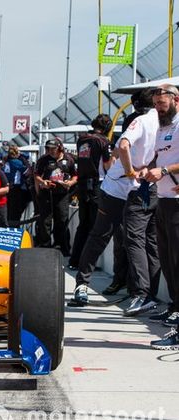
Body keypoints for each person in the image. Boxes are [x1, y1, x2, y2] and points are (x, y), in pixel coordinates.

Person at [70, 92, 158, 308]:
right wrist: (132, 170)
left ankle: (140, 292)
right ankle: (142, 293)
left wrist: (137, 169)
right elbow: (124, 146)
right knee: (131, 239)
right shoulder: (150, 120)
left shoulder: (157, 121)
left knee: (121, 238)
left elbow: (125, 147)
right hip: (125, 187)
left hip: (133, 187)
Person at [107, 91, 160, 316]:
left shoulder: (141, 120)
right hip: (160, 187)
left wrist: (129, 171)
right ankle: (152, 293)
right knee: (153, 242)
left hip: (140, 188)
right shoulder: (165, 122)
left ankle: (141, 294)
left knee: (134, 239)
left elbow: (123, 145)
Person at [142, 84, 179, 349]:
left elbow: (168, 164)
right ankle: (174, 306)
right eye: (156, 104)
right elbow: (159, 158)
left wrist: (164, 170)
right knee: (166, 258)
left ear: (176, 100)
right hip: (163, 199)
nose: (158, 108)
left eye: (162, 104)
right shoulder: (162, 128)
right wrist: (149, 169)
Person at [69, 114, 112, 269]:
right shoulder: (103, 141)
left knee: (83, 224)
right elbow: (107, 166)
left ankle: (75, 260)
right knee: (95, 225)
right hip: (96, 184)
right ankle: (87, 263)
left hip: (82, 184)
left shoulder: (82, 139)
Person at [34, 138, 77, 255]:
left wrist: (70, 183)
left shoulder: (69, 159)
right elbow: (36, 175)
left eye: (53, 148)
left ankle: (62, 246)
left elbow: (75, 176)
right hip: (46, 194)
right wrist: (43, 182)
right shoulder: (43, 160)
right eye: (48, 148)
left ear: (60, 148)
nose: (51, 151)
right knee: (45, 221)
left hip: (62, 194)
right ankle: (45, 245)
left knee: (62, 220)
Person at [1, 145, 30, 222]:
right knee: (15, 209)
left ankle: (7, 222)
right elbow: (27, 172)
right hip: (15, 187)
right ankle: (14, 225)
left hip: (6, 186)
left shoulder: (5, 161)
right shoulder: (17, 162)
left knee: (8, 208)